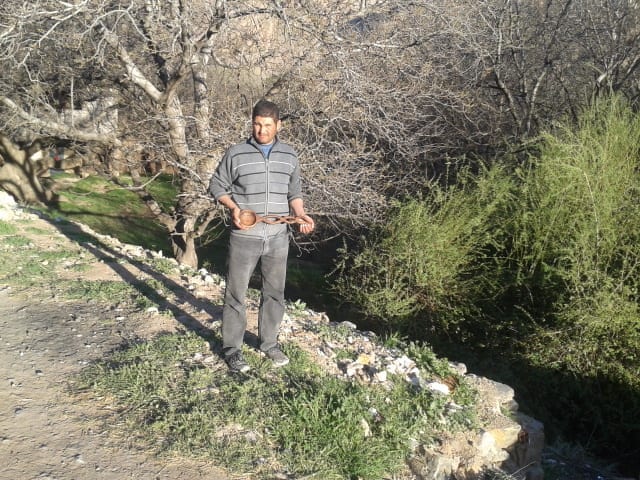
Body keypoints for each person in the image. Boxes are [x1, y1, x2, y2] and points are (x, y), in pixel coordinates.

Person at [209, 99, 315, 373]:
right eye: (257, 124)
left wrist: (300, 214)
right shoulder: (236, 153)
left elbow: (294, 193)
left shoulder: (289, 156)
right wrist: (234, 208)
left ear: (278, 125)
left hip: (278, 236)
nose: (262, 130)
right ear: (252, 122)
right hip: (244, 236)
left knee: (275, 293)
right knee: (236, 294)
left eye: (268, 125)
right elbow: (217, 185)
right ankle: (232, 349)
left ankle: (269, 344)